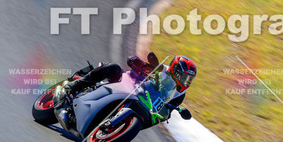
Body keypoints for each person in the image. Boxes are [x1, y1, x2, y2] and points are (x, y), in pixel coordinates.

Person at [56, 53, 195, 121]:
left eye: (189, 79)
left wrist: (169, 112)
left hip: (142, 105)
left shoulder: (179, 95)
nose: (186, 82)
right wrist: (142, 66)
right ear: (175, 69)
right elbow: (131, 59)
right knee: (113, 68)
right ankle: (72, 87)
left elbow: (166, 112)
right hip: (127, 85)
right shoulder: (161, 69)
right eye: (185, 77)